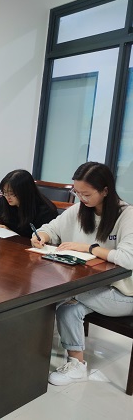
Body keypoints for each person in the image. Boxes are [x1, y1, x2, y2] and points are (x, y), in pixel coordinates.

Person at [30, 162, 133, 387]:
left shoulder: (127, 215)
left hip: (124, 294)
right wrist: (42, 237)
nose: (81, 198)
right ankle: (77, 366)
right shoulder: (79, 210)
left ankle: (32, 344)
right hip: (93, 286)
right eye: (76, 192)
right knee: (68, 308)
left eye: (86, 194)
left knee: (58, 292)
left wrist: (89, 248)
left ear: (105, 190)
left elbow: (128, 259)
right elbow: (51, 228)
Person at [0, 169, 58, 237]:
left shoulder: (45, 211)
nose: (7, 197)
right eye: (4, 192)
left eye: (12, 193)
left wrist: (12, 232)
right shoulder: (4, 201)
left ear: (25, 192)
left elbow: (39, 237)